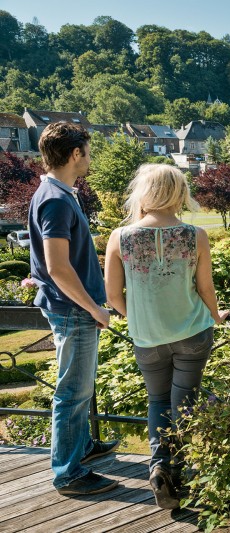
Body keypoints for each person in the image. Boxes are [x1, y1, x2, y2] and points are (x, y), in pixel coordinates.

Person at [104, 164, 229, 509]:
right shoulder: (195, 235)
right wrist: (218, 317)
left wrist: (139, 318)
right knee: (184, 400)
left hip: (147, 338)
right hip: (192, 332)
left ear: (144, 192)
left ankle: (160, 467)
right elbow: (205, 289)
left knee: (158, 401)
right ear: (179, 193)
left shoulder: (121, 236)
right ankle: (180, 470)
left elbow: (113, 295)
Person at [28, 122, 120, 496]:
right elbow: (57, 267)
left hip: (71, 306)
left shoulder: (57, 192)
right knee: (72, 391)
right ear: (75, 154)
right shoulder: (55, 199)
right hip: (73, 309)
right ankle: (68, 473)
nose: (90, 159)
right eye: (87, 152)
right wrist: (94, 309)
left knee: (81, 387)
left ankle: (81, 446)